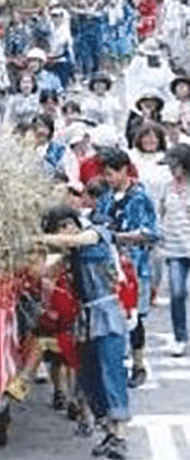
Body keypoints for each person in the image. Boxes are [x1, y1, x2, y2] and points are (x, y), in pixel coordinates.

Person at [35, 205, 130, 460]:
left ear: (67, 225)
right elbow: (45, 272)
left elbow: (77, 239)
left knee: (111, 372)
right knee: (88, 376)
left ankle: (120, 433)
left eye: (57, 231)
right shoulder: (71, 253)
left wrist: (39, 239)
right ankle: (107, 429)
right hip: (85, 319)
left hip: (107, 312)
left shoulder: (95, 233)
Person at [101, 148, 159, 387]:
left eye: (111, 173)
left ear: (124, 169)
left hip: (135, 266)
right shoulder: (106, 195)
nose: (108, 178)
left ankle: (138, 364)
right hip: (109, 266)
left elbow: (150, 233)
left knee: (135, 318)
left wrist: (118, 237)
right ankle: (115, 364)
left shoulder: (139, 197)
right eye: (105, 174)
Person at [158, 144, 190, 357]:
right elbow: (162, 212)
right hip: (175, 249)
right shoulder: (167, 187)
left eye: (175, 166)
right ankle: (180, 337)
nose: (171, 170)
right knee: (177, 293)